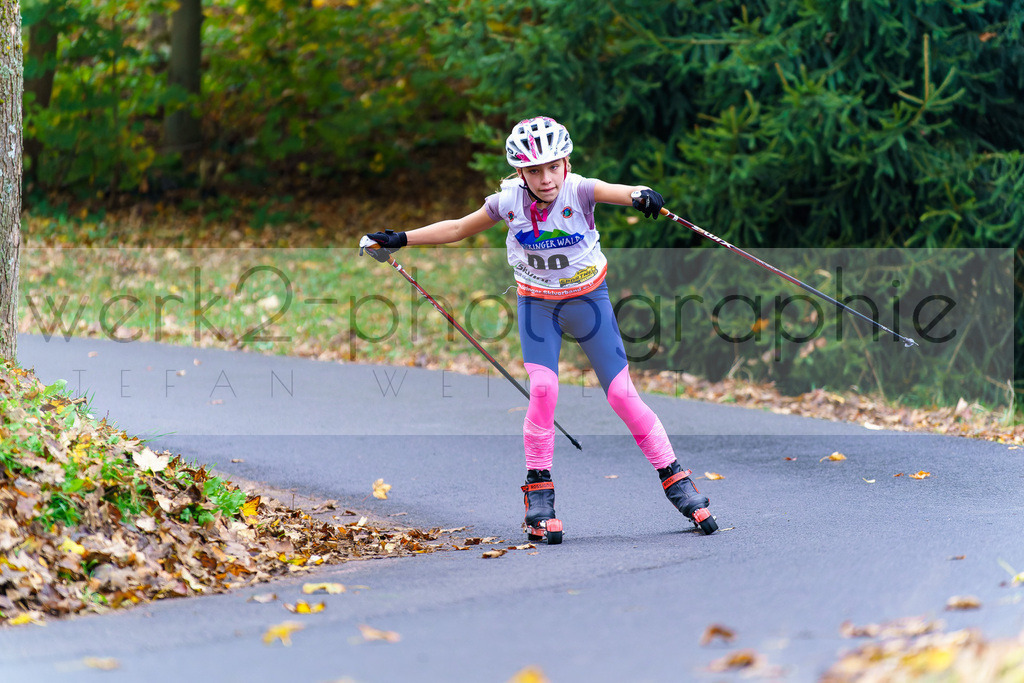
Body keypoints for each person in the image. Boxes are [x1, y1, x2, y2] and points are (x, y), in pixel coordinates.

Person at [361, 116, 717, 540]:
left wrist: (640, 195)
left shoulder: (579, 189)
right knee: (545, 390)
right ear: (519, 172)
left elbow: (617, 191)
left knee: (622, 395)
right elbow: (457, 228)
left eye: (554, 166)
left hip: (588, 301)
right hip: (538, 307)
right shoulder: (506, 201)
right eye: (534, 170)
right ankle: (539, 494)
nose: (546, 178)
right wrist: (400, 238)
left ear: (566, 163)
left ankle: (676, 480)